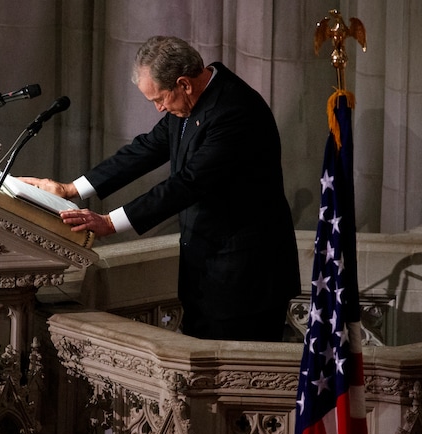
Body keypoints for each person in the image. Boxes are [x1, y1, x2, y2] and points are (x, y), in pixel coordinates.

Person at [21, 36, 300, 341]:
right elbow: (145, 149)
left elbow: (188, 183)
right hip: (207, 273)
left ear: (184, 84)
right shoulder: (188, 105)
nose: (158, 109)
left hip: (246, 280)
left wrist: (109, 223)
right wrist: (70, 188)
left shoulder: (235, 111)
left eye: (160, 99)